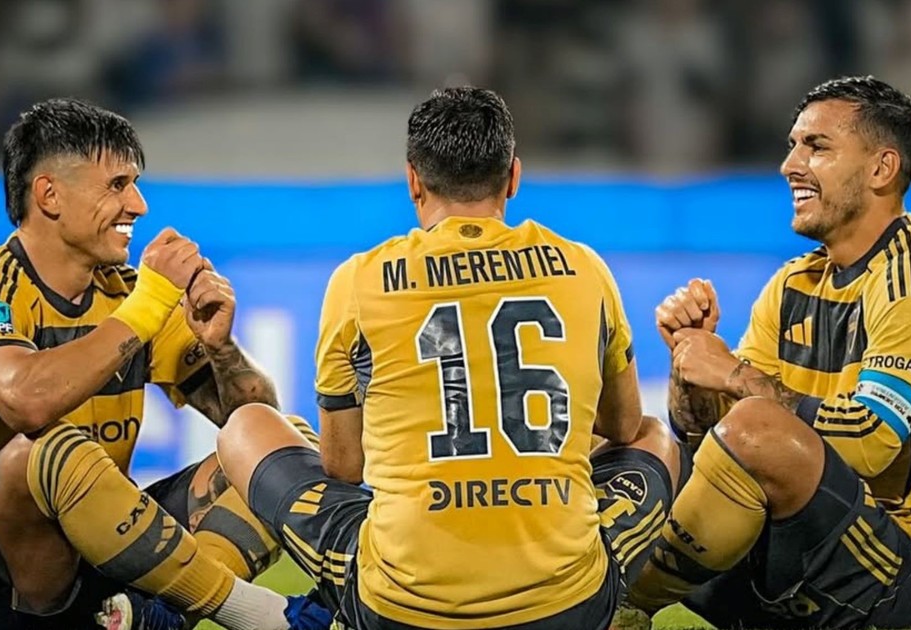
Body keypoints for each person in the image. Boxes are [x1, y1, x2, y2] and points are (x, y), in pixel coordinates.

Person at [214, 86, 686, 629]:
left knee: (247, 428)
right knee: (654, 436)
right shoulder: (583, 268)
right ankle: (626, 603)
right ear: (513, 176)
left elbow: (345, 467)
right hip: (567, 610)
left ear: (414, 180)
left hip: (400, 612)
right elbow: (623, 426)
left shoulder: (359, 282)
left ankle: (256, 609)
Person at [0, 98, 329, 630]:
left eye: (135, 184)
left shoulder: (126, 296)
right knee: (46, 450)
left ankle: (153, 618)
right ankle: (260, 615)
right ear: (49, 195)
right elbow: (28, 402)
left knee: (279, 437)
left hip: (94, 569)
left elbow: (252, 420)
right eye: (117, 185)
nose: (139, 205)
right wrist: (150, 304)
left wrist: (220, 346)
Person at [635, 76, 911, 629]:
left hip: (893, 578)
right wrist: (689, 361)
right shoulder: (793, 284)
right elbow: (708, 440)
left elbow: (868, 442)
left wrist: (732, 373)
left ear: (881, 169)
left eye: (816, 146)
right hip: (791, 558)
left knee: (756, 424)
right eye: (792, 146)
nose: (790, 165)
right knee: (635, 442)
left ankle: (624, 600)